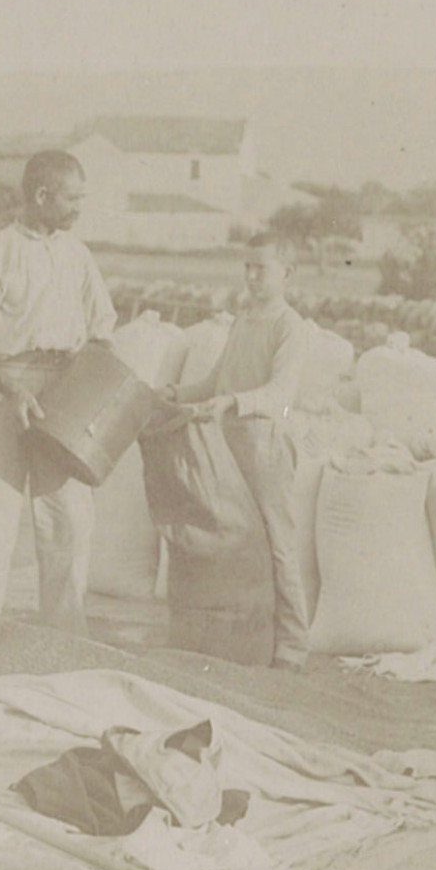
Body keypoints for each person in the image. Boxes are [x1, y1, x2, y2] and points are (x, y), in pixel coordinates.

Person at [0, 150, 117, 637]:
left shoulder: (77, 255)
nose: (79, 208)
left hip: (63, 396)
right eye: (72, 198)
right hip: (0, 396)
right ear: (41, 195)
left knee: (70, 523)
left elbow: (103, 330)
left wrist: (85, 392)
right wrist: (11, 387)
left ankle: (63, 643)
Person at [162, 236, 312, 669]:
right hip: (226, 443)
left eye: (259, 269)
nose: (250, 277)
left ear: (286, 274)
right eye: (246, 267)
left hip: (263, 444)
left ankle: (292, 646)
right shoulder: (244, 320)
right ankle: (241, 639)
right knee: (231, 542)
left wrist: (231, 403)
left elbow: (281, 393)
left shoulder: (290, 327)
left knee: (278, 543)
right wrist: (174, 393)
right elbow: (215, 381)